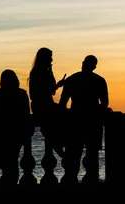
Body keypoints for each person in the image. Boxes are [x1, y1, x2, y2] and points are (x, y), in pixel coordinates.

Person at [58, 55, 112, 185]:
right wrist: (94, 110)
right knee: (92, 156)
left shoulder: (72, 79)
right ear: (94, 66)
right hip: (92, 122)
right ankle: (90, 183)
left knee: (73, 156)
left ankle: (71, 182)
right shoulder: (99, 80)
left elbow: (62, 104)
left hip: (75, 121)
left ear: (83, 63)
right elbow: (104, 103)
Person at [0, 69, 32, 187]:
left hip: (1, 133)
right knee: (11, 164)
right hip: (14, 134)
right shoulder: (21, 94)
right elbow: (26, 114)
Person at [28, 47, 66, 158]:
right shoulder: (39, 71)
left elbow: (49, 90)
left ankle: (59, 145)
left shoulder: (39, 71)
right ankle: (59, 145)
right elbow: (47, 90)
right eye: (50, 58)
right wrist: (57, 85)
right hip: (43, 105)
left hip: (43, 104)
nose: (51, 60)